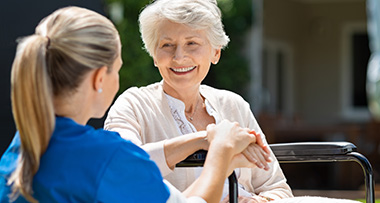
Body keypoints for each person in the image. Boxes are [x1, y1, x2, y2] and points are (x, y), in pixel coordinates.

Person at [0, 6, 269, 203]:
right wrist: (220, 149)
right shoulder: (107, 157)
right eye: (117, 69)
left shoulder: (21, 149)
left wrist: (200, 140)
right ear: (98, 79)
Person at [104, 0, 292, 202]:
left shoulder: (234, 105)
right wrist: (207, 139)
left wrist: (254, 201)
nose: (179, 57)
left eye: (191, 43)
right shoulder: (133, 105)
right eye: (167, 45)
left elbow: (276, 187)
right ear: (154, 55)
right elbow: (121, 165)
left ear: (215, 52)